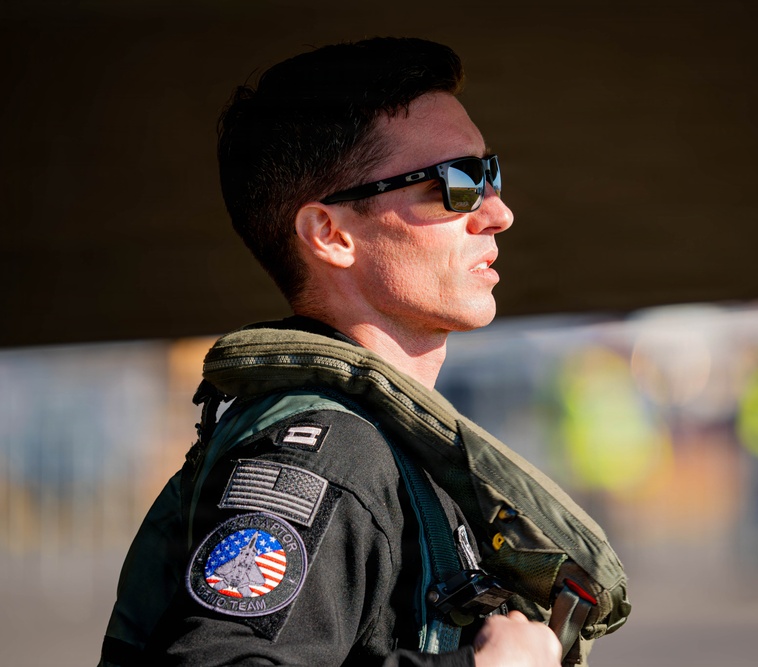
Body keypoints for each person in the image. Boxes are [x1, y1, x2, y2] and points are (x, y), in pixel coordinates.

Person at [99, 38, 570, 666]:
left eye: (490, 174)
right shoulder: (326, 453)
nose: (498, 213)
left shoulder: (389, 442)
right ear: (330, 234)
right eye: (455, 184)